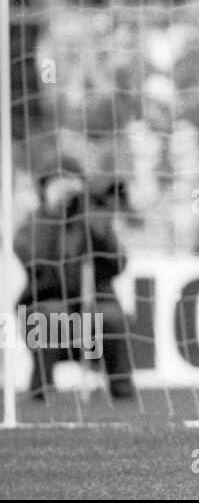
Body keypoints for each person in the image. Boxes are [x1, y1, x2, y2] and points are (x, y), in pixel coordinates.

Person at [13, 158, 136, 401]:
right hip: (48, 307)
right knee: (49, 312)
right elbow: (32, 258)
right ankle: (41, 389)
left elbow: (117, 264)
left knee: (111, 316)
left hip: (92, 312)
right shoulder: (33, 223)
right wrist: (52, 213)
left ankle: (122, 392)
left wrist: (91, 221)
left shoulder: (94, 219)